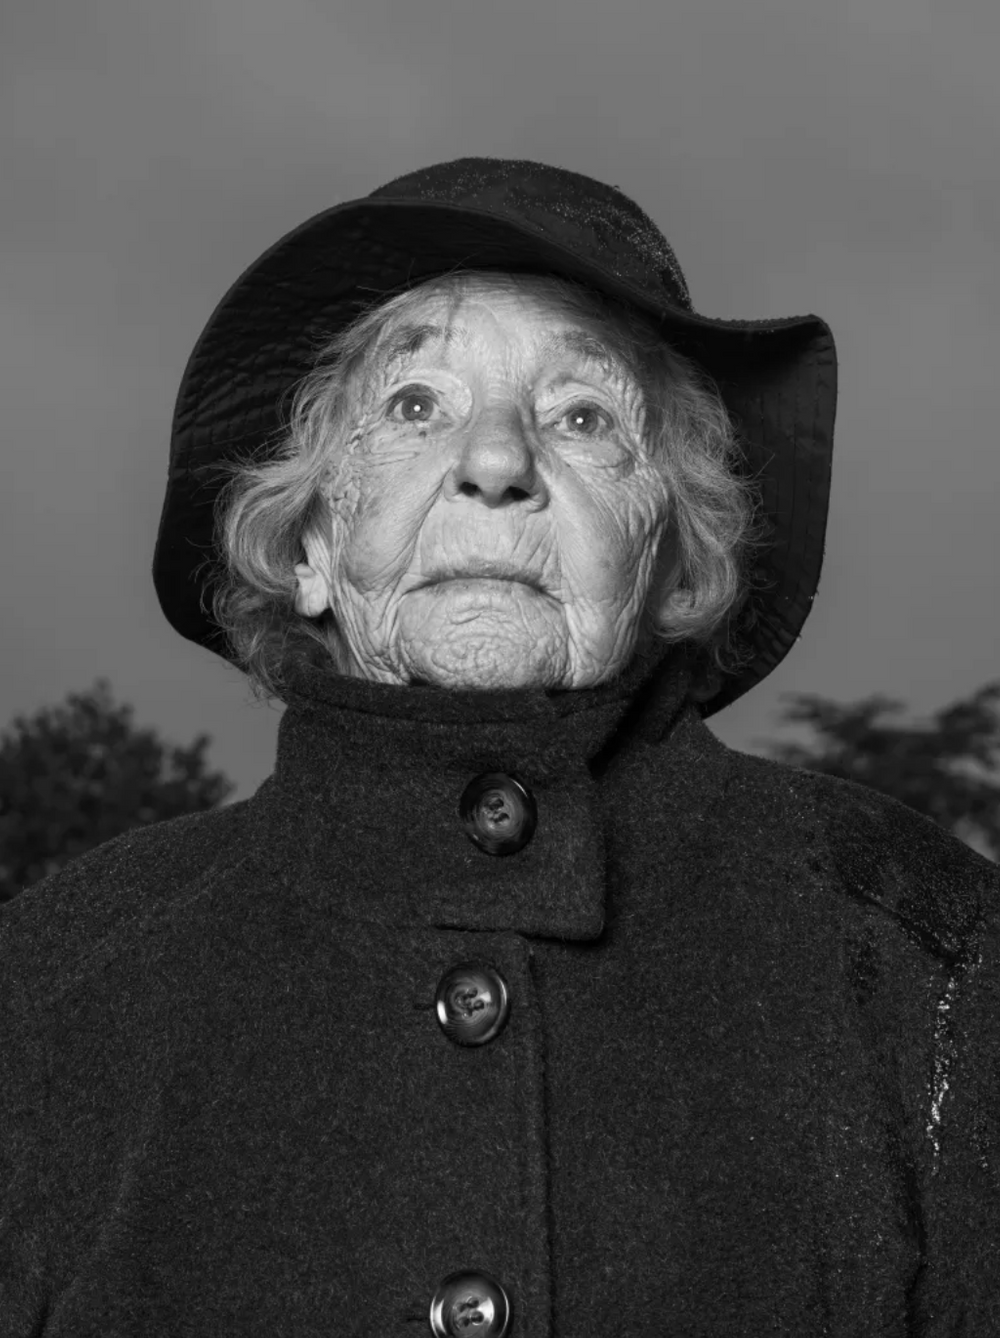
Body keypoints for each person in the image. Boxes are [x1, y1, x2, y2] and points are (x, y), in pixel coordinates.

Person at [2, 158, 997, 1337]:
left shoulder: (930, 959)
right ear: (309, 541)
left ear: (675, 561)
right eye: (414, 404)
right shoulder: (54, 991)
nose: (494, 461)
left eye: (583, 417)